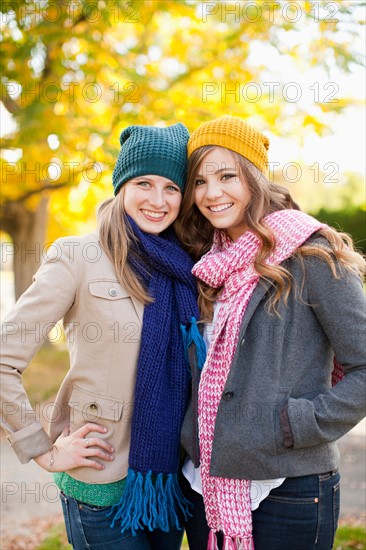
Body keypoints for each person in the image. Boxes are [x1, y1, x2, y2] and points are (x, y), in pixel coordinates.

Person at [0, 123, 202, 550]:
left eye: (171, 187)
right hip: (99, 485)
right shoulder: (79, 256)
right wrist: (45, 451)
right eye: (144, 182)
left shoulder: (188, 268)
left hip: (170, 486)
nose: (157, 200)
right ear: (122, 185)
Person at [176, 116, 366, 550]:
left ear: (255, 178)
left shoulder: (312, 255)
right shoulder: (208, 263)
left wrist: (294, 425)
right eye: (200, 181)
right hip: (204, 482)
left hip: (290, 485)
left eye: (227, 176)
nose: (212, 193)